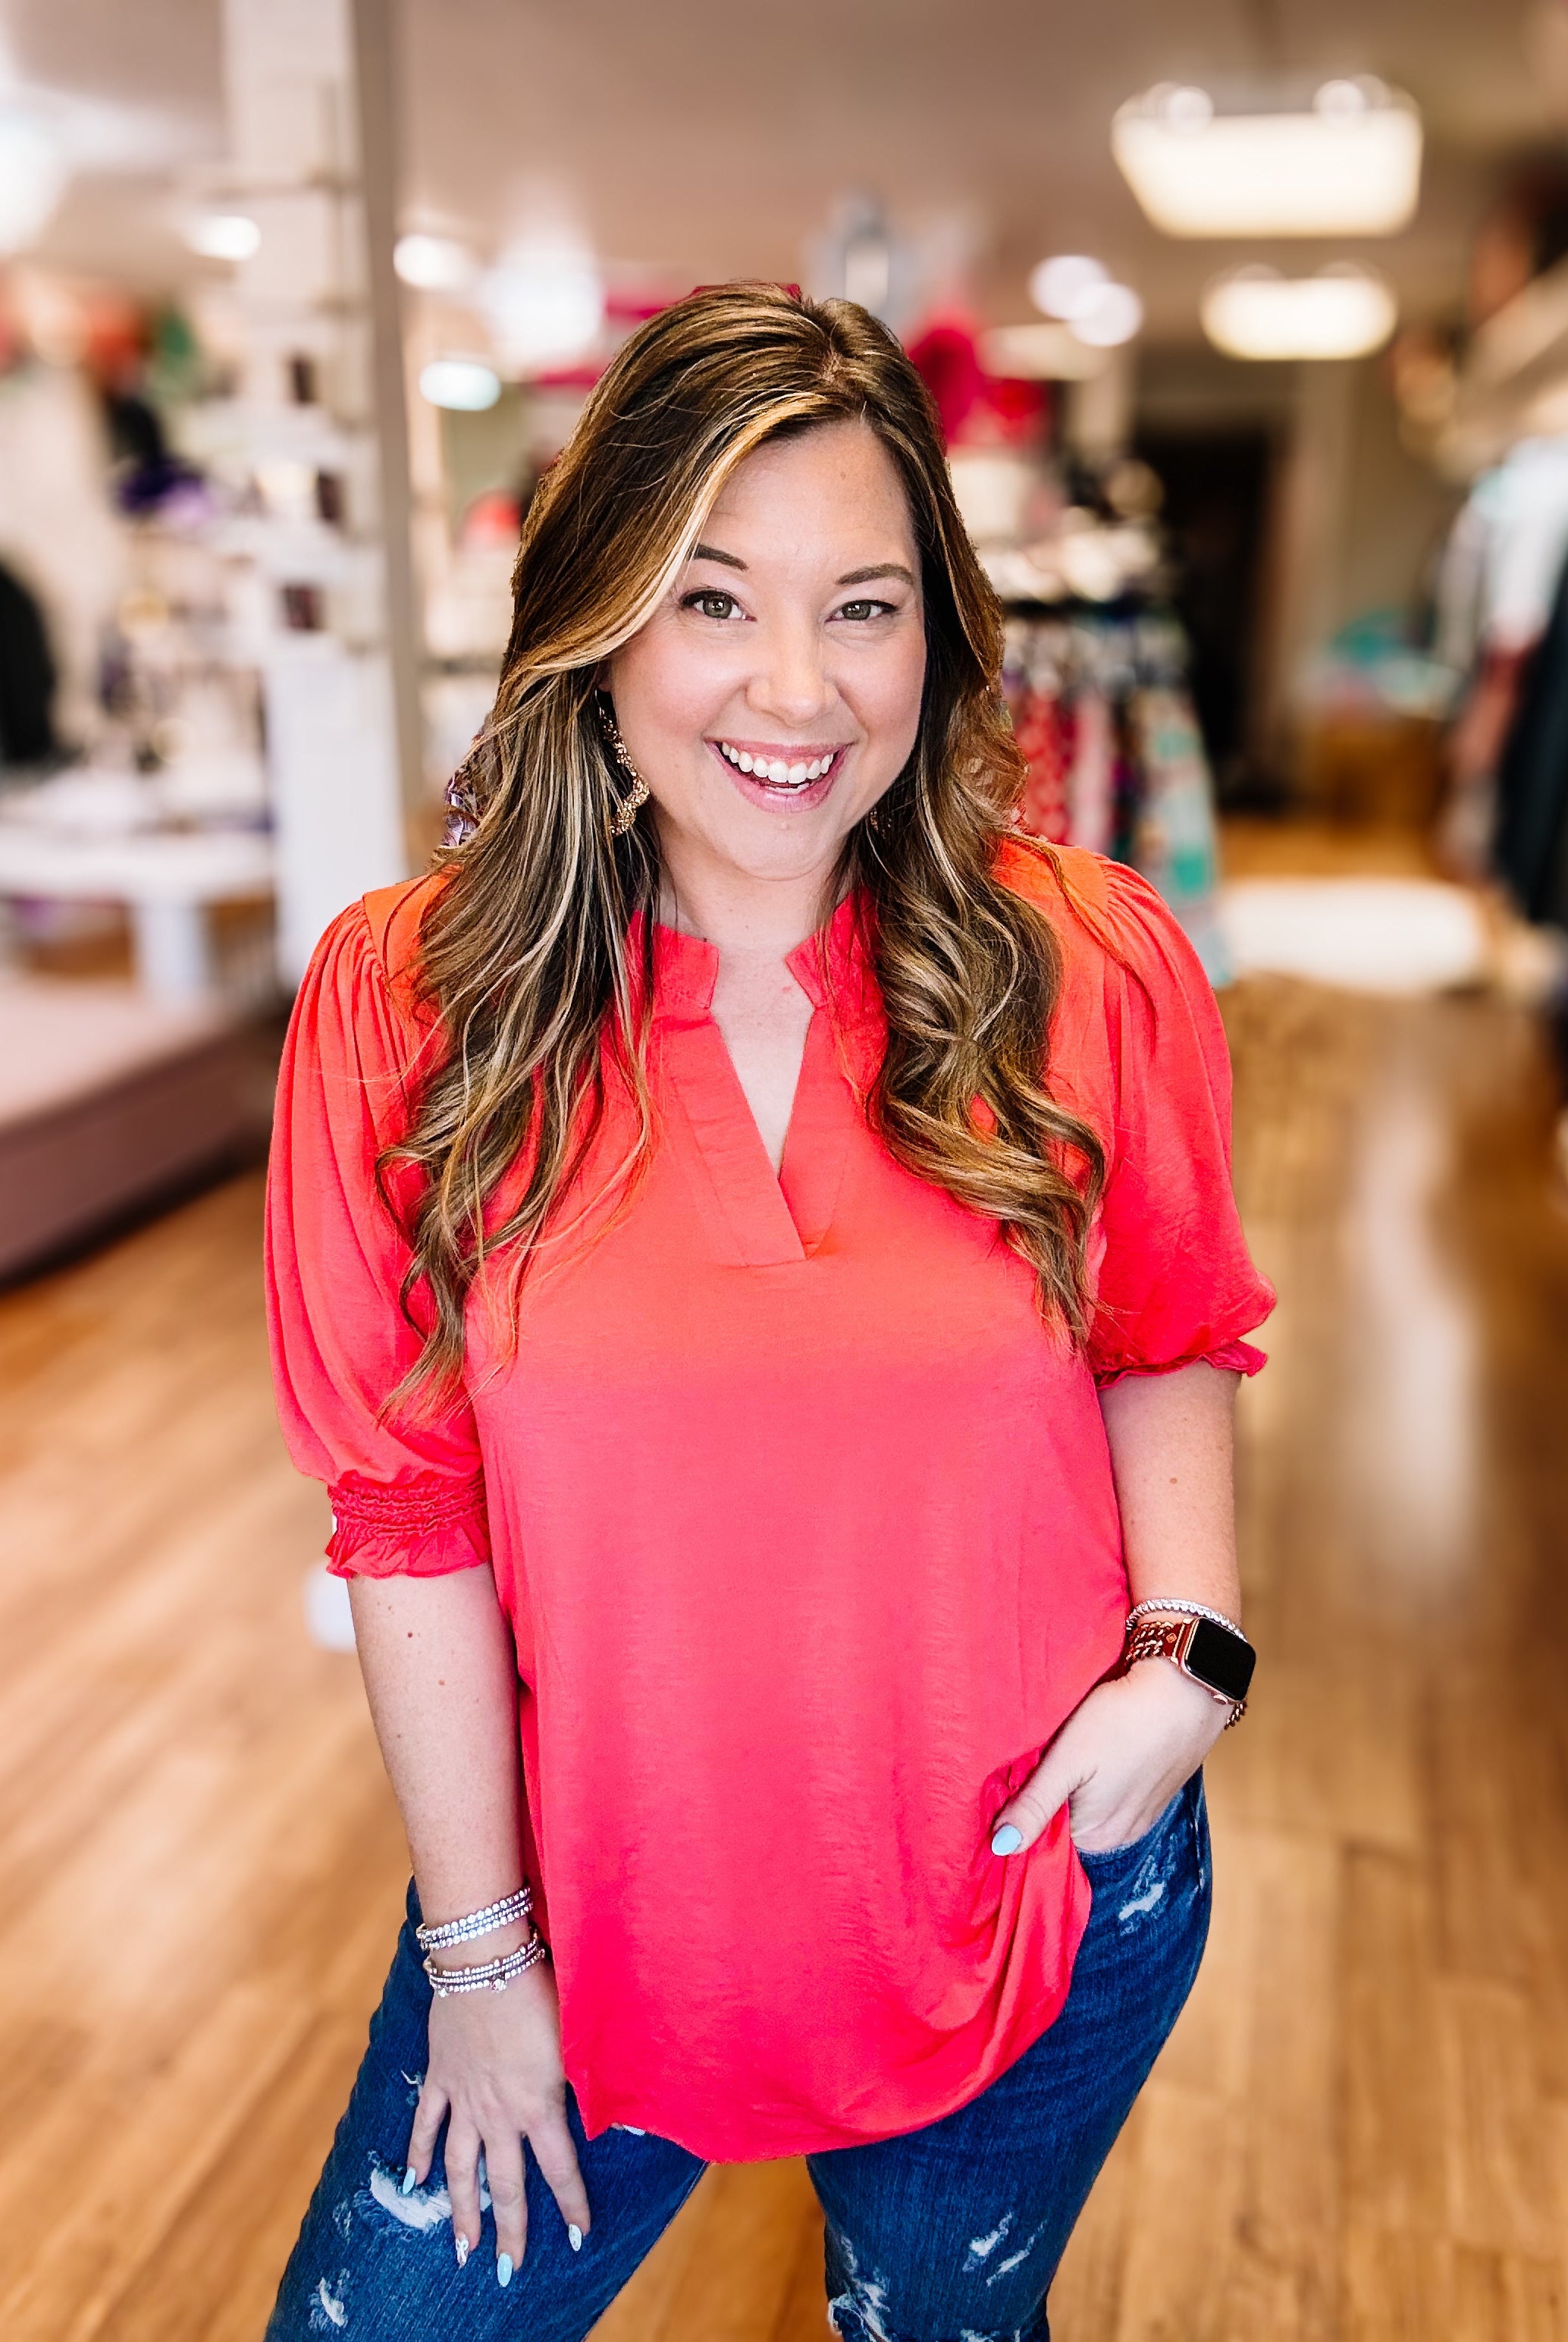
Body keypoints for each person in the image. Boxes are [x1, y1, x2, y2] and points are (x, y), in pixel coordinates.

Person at [263, 283, 1273, 2342]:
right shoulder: (409, 1009)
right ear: (596, 619)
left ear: (940, 636)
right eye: (712, 599)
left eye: (863, 608)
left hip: (1030, 1883)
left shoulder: (1085, 967)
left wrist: (1192, 1655)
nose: (797, 690)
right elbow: (406, 1513)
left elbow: (1160, 1327)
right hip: (586, 1919)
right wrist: (479, 1963)